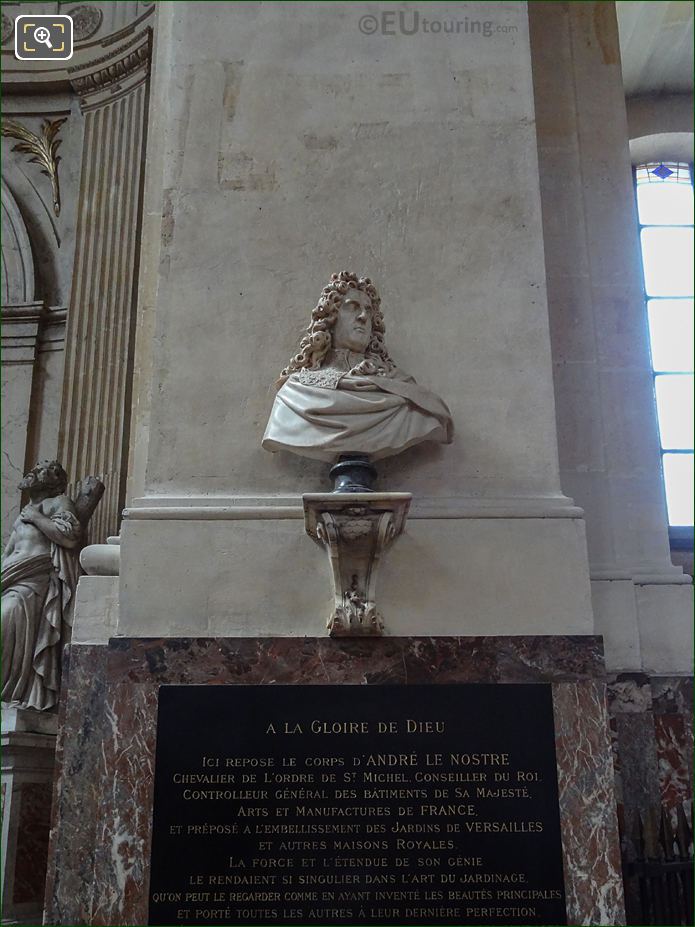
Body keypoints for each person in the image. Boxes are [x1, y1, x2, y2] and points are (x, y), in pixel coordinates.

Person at [262, 271, 453, 462]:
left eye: (368, 310)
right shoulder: (295, 393)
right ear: (331, 318)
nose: (363, 316)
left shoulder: (405, 394)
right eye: (352, 307)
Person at [2, 460, 82, 711]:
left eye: (45, 468)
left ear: (55, 481)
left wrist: (37, 518)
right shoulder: (24, 512)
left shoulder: (58, 502)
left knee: (4, 621)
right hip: (11, 579)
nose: (35, 470)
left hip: (33, 583)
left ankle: (15, 690)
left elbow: (69, 537)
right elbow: (9, 552)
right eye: (36, 466)